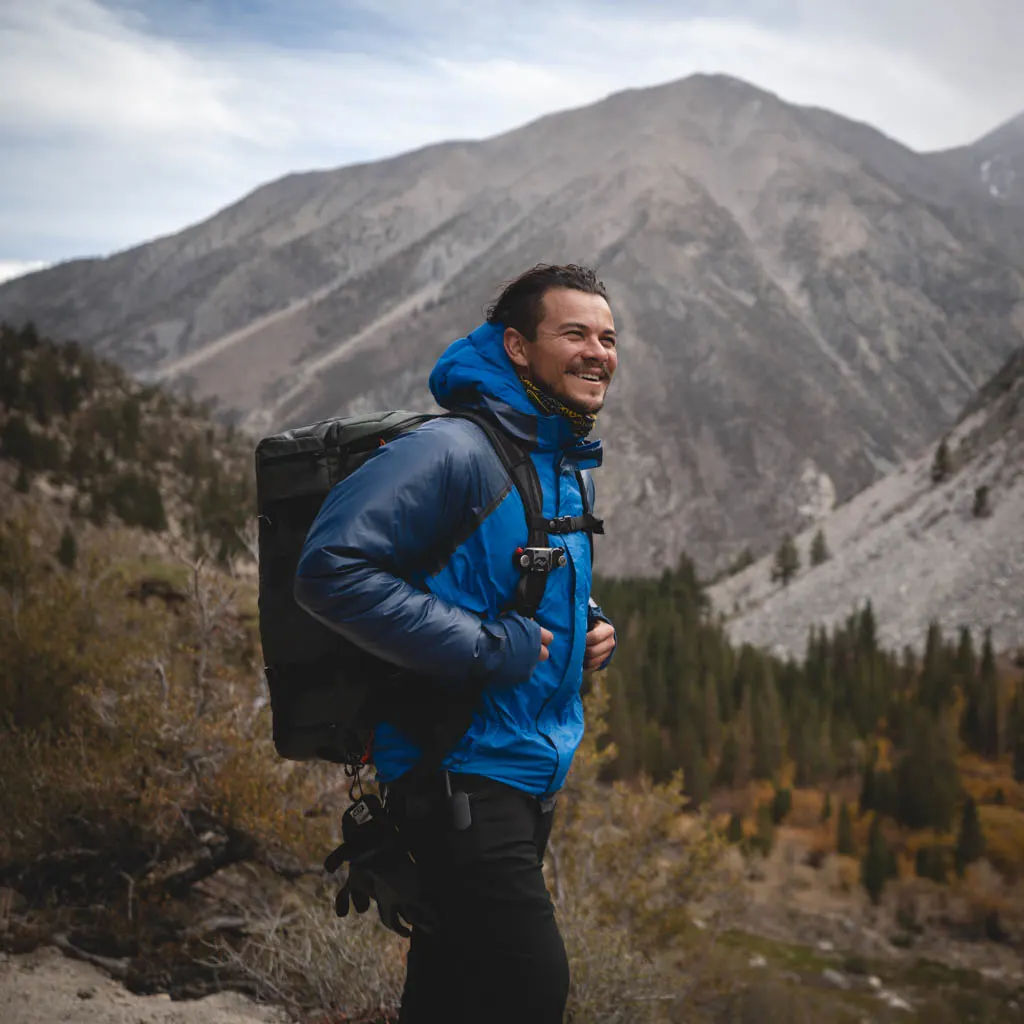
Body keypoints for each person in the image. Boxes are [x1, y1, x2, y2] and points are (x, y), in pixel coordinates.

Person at [294, 263, 618, 1023]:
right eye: (573, 333)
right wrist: (482, 647)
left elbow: (505, 578)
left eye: (607, 337)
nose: (597, 352)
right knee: (529, 990)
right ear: (516, 345)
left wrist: (593, 625)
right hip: (457, 769)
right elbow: (328, 569)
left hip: (521, 771)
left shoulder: (559, 460)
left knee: (452, 988)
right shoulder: (452, 450)